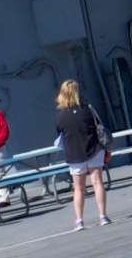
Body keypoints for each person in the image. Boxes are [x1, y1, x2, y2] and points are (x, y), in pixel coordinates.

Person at [53, 79, 110, 232]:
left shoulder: (60, 115)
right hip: (94, 149)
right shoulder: (88, 109)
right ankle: (103, 216)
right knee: (97, 183)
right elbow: (99, 126)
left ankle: (79, 220)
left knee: (78, 188)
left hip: (74, 154)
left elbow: (60, 134)